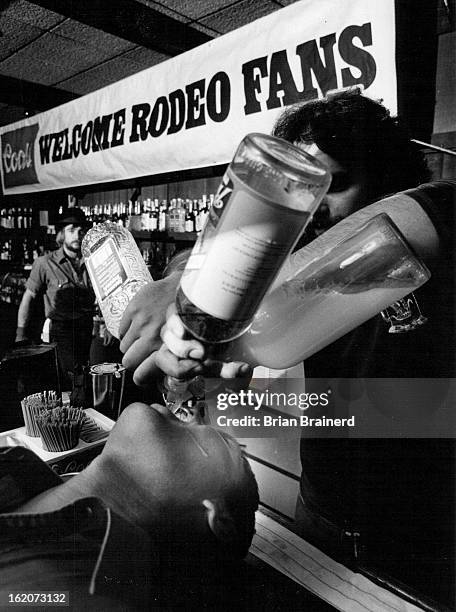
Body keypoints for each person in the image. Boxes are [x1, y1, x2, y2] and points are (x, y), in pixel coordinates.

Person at [117, 90, 455, 607]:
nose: (315, 206)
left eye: (335, 183)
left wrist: (200, 293)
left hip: (425, 529)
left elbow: (387, 231)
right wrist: (197, 327)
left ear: (389, 174)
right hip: (322, 509)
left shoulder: (440, 213)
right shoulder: (296, 261)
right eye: (299, 189)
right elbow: (252, 284)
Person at [1, 401, 259, 609]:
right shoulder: (20, 474)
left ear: (219, 517)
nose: (195, 412)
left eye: (227, 444)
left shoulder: (72, 599)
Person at [15, 208, 95, 392]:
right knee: (70, 379)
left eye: (81, 230)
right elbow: (28, 298)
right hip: (61, 331)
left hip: (87, 328)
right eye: (71, 229)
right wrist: (20, 334)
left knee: (89, 377)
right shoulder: (45, 263)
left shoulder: (92, 261)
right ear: (61, 234)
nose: (77, 234)